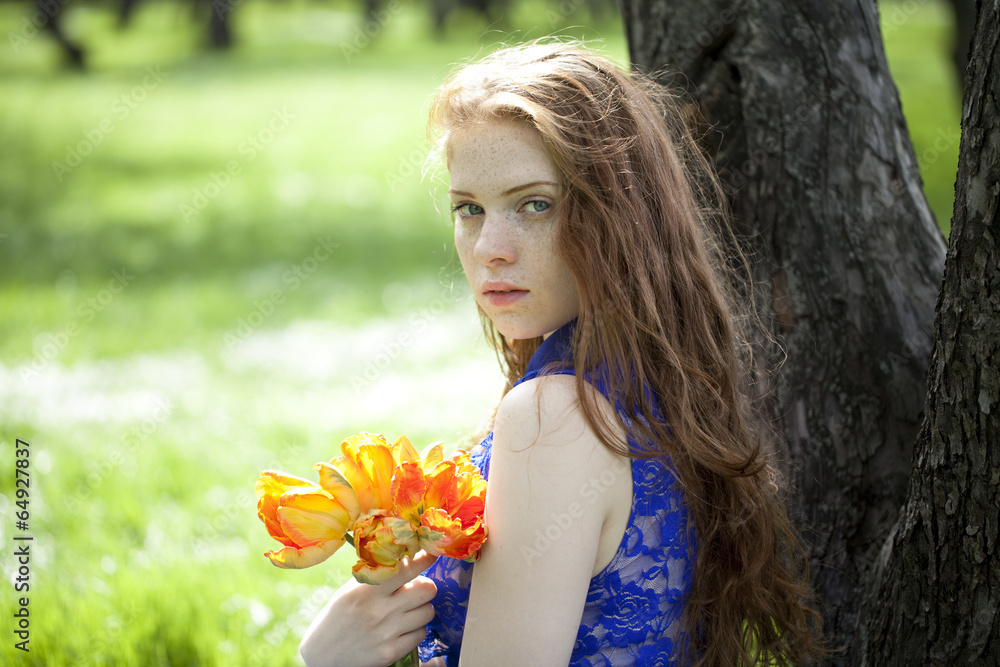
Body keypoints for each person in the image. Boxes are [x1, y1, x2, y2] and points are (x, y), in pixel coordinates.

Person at [299, 40, 825, 667]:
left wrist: (328, 661)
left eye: (535, 204)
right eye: (469, 209)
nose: (490, 246)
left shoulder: (555, 417)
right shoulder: (660, 388)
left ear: (620, 216)